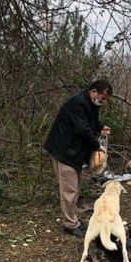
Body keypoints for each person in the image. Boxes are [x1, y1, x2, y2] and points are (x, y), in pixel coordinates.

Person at [44, 80, 112, 237]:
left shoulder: (91, 104)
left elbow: (91, 123)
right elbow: (83, 129)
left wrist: (100, 127)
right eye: (103, 97)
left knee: (74, 188)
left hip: (73, 151)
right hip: (64, 151)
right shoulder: (78, 104)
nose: (103, 101)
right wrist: (97, 146)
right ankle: (70, 224)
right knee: (69, 189)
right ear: (93, 91)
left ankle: (73, 219)